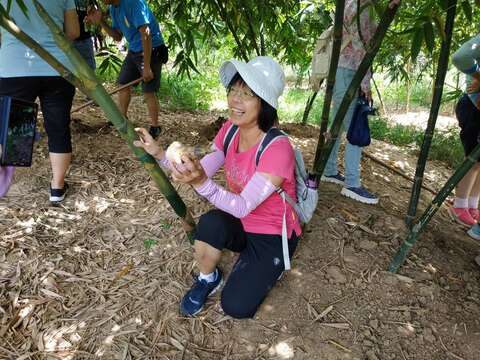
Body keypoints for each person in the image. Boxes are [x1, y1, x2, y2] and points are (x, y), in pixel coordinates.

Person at [134, 56, 301, 318]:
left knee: (236, 308)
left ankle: (270, 264)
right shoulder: (231, 130)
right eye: (233, 90)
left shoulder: (277, 148)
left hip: (271, 232)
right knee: (211, 223)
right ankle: (208, 278)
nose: (235, 99)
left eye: (245, 94)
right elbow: (202, 169)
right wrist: (159, 154)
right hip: (242, 221)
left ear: (265, 103)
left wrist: (201, 183)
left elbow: (244, 205)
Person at [320, 0, 400, 204]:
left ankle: (329, 170)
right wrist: (365, 84)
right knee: (354, 128)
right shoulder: (363, 6)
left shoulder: (350, 3)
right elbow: (362, 47)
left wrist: (389, 10)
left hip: (341, 71)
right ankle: (352, 184)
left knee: (338, 123)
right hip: (349, 72)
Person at [0, 0, 79, 203]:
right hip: (57, 67)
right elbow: (73, 32)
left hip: (14, 67)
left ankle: (4, 181)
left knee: (14, 128)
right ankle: (57, 189)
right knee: (58, 127)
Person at [87, 0, 166, 139]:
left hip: (151, 50)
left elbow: (146, 33)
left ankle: (155, 126)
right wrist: (101, 22)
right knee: (123, 84)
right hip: (135, 50)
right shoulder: (114, 8)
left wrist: (146, 66)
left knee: (148, 90)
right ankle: (122, 119)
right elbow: (118, 36)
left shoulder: (133, 3)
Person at [449, 35, 480, 234]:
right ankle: (459, 204)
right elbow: (461, 57)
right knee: (473, 160)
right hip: (474, 106)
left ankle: (472, 204)